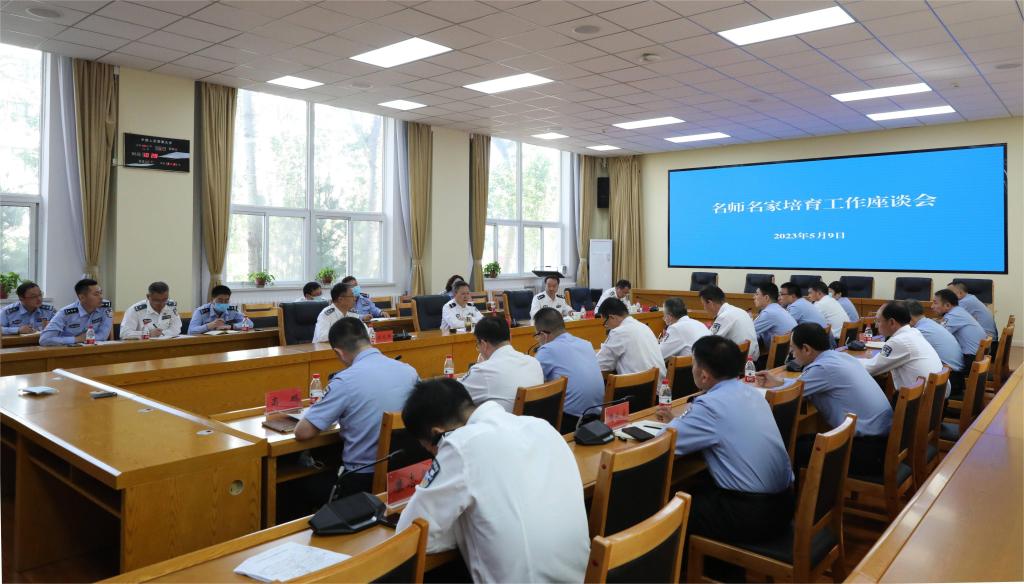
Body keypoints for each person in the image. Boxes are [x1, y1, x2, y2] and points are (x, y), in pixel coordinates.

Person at [396, 378, 590, 583]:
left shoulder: (460, 445)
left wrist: (463, 525)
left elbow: (410, 537)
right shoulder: (542, 426)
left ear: (437, 434)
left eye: (431, 450)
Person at [655, 336, 793, 544]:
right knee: (696, 486)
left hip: (752, 515)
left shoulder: (709, 406)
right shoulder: (752, 393)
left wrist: (678, 422)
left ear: (704, 375)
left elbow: (662, 446)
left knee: (669, 511)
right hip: (784, 504)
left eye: (694, 364)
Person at [295, 317, 418, 496]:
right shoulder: (409, 371)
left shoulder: (344, 381)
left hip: (361, 481)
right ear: (368, 339)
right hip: (407, 475)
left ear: (338, 352)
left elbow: (303, 432)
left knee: (296, 487)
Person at [756, 323, 892, 475]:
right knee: (805, 440)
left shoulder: (822, 368)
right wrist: (779, 381)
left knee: (794, 449)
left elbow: (787, 395)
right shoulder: (841, 357)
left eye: (793, 349)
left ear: (806, 349)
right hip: (882, 441)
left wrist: (755, 392)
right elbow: (801, 384)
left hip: (867, 449)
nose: (792, 355)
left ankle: (800, 490)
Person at [533, 307, 605, 433]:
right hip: (598, 417)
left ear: (543, 335)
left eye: (537, 336)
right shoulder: (586, 344)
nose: (538, 340)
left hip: (571, 422)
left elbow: (532, 380)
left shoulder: (547, 350)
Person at [859, 302, 948, 397]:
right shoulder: (914, 332)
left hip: (917, 401)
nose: (876, 325)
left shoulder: (899, 341)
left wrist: (850, 359)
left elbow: (870, 368)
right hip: (934, 397)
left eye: (878, 321)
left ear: (892, 322)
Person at [459, 316, 543, 412]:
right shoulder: (534, 362)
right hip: (536, 420)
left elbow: (453, 395)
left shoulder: (483, 371)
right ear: (510, 337)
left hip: (504, 421)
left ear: (483, 344)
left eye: (478, 345)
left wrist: (480, 366)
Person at [595, 298, 666, 377]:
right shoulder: (644, 326)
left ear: (612, 317)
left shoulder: (618, 332)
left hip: (638, 383)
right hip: (660, 382)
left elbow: (600, 365)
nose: (606, 326)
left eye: (605, 322)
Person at [40, 278, 112, 346]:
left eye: (101, 293)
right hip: (68, 351)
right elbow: (44, 340)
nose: (101, 297)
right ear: (82, 297)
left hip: (94, 349)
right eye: (96, 294)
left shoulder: (105, 307)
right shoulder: (65, 313)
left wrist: (87, 338)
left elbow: (103, 335)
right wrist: (76, 339)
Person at [907, 299, 965, 380]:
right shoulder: (930, 323)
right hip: (955, 373)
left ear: (910, 319)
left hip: (949, 377)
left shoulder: (920, 331)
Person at [699, 285, 758, 360]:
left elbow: (708, 343)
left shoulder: (724, 316)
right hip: (751, 360)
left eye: (704, 305)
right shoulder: (741, 311)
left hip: (739, 363)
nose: (704, 309)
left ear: (710, 303)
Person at [933, 289, 988, 364]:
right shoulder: (958, 311)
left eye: (935, 303)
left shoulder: (953, 315)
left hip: (969, 359)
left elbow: (937, 336)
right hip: (976, 356)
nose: (932, 306)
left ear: (947, 305)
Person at [947, 281, 998, 356]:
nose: (946, 296)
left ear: (960, 293)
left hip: (985, 347)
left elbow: (948, 320)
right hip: (987, 343)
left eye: (949, 294)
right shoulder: (970, 298)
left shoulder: (964, 302)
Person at [752, 282, 797, 361]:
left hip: (784, 360)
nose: (753, 297)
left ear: (766, 297)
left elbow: (750, 331)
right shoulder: (776, 308)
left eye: (757, 294)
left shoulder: (769, 313)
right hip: (789, 356)